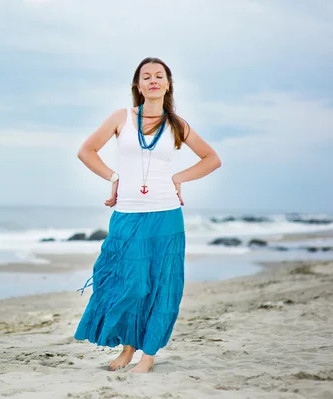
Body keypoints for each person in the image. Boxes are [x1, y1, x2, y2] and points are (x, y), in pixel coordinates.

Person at [73, 57, 221, 373]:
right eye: (146, 76)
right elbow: (86, 151)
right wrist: (113, 177)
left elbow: (212, 159)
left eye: (159, 76)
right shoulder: (121, 118)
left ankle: (148, 355)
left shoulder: (176, 124)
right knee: (131, 284)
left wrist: (178, 179)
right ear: (138, 86)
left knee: (162, 285)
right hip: (127, 213)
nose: (153, 80)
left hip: (166, 215)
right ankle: (127, 348)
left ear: (167, 84)